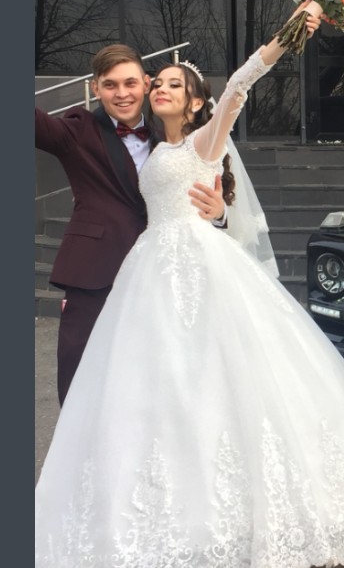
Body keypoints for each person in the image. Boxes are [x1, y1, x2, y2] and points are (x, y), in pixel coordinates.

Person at [34, 0, 344, 567]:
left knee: (221, 381)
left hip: (197, 265)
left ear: (193, 100)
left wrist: (289, 34)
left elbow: (240, 86)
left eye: (167, 84)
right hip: (139, 272)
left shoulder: (203, 137)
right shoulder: (138, 141)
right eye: (153, 83)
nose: (154, 90)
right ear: (101, 89)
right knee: (144, 391)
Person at [35, 44, 227, 406]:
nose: (121, 93)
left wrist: (218, 212)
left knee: (153, 383)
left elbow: (199, 195)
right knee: (80, 379)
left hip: (160, 278)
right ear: (95, 88)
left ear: (146, 83)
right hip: (94, 274)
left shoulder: (169, 134)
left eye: (130, 83)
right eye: (110, 85)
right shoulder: (77, 129)